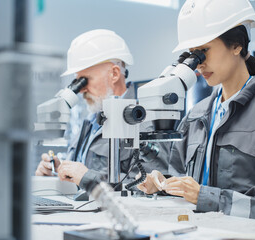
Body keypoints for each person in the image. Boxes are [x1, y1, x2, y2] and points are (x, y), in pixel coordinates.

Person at [138, 0, 255, 225]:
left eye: (203, 52)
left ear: (237, 45)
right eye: (193, 54)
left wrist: (211, 198)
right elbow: (183, 184)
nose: (199, 64)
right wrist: (163, 184)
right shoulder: (196, 116)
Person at [35, 29, 168, 189]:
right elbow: (82, 176)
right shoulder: (92, 120)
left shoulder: (145, 122)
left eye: (85, 80)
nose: (81, 89)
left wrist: (87, 178)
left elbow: (152, 189)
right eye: (77, 82)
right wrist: (58, 172)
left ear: (114, 74)